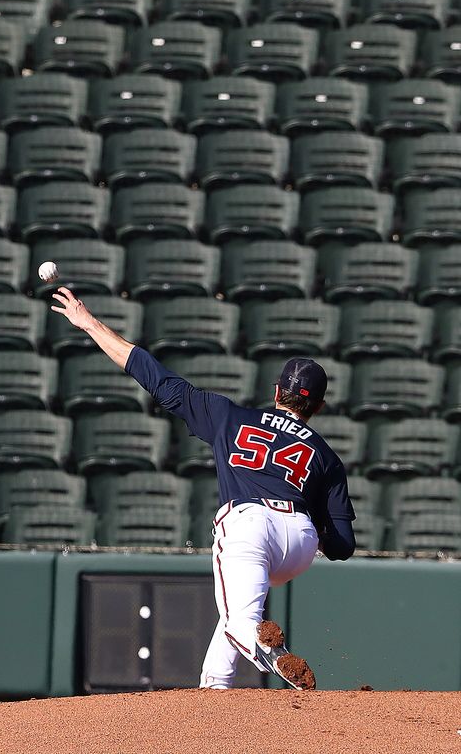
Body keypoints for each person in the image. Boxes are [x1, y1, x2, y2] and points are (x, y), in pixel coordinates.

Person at [49, 286, 356, 690]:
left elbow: (157, 379)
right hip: (298, 541)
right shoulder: (326, 456)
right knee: (236, 610)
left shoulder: (229, 416)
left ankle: (274, 656)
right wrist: (311, 526)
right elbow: (343, 546)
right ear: (317, 406)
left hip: (249, 526)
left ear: (276, 392)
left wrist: (89, 324)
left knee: (241, 622)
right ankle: (215, 689)